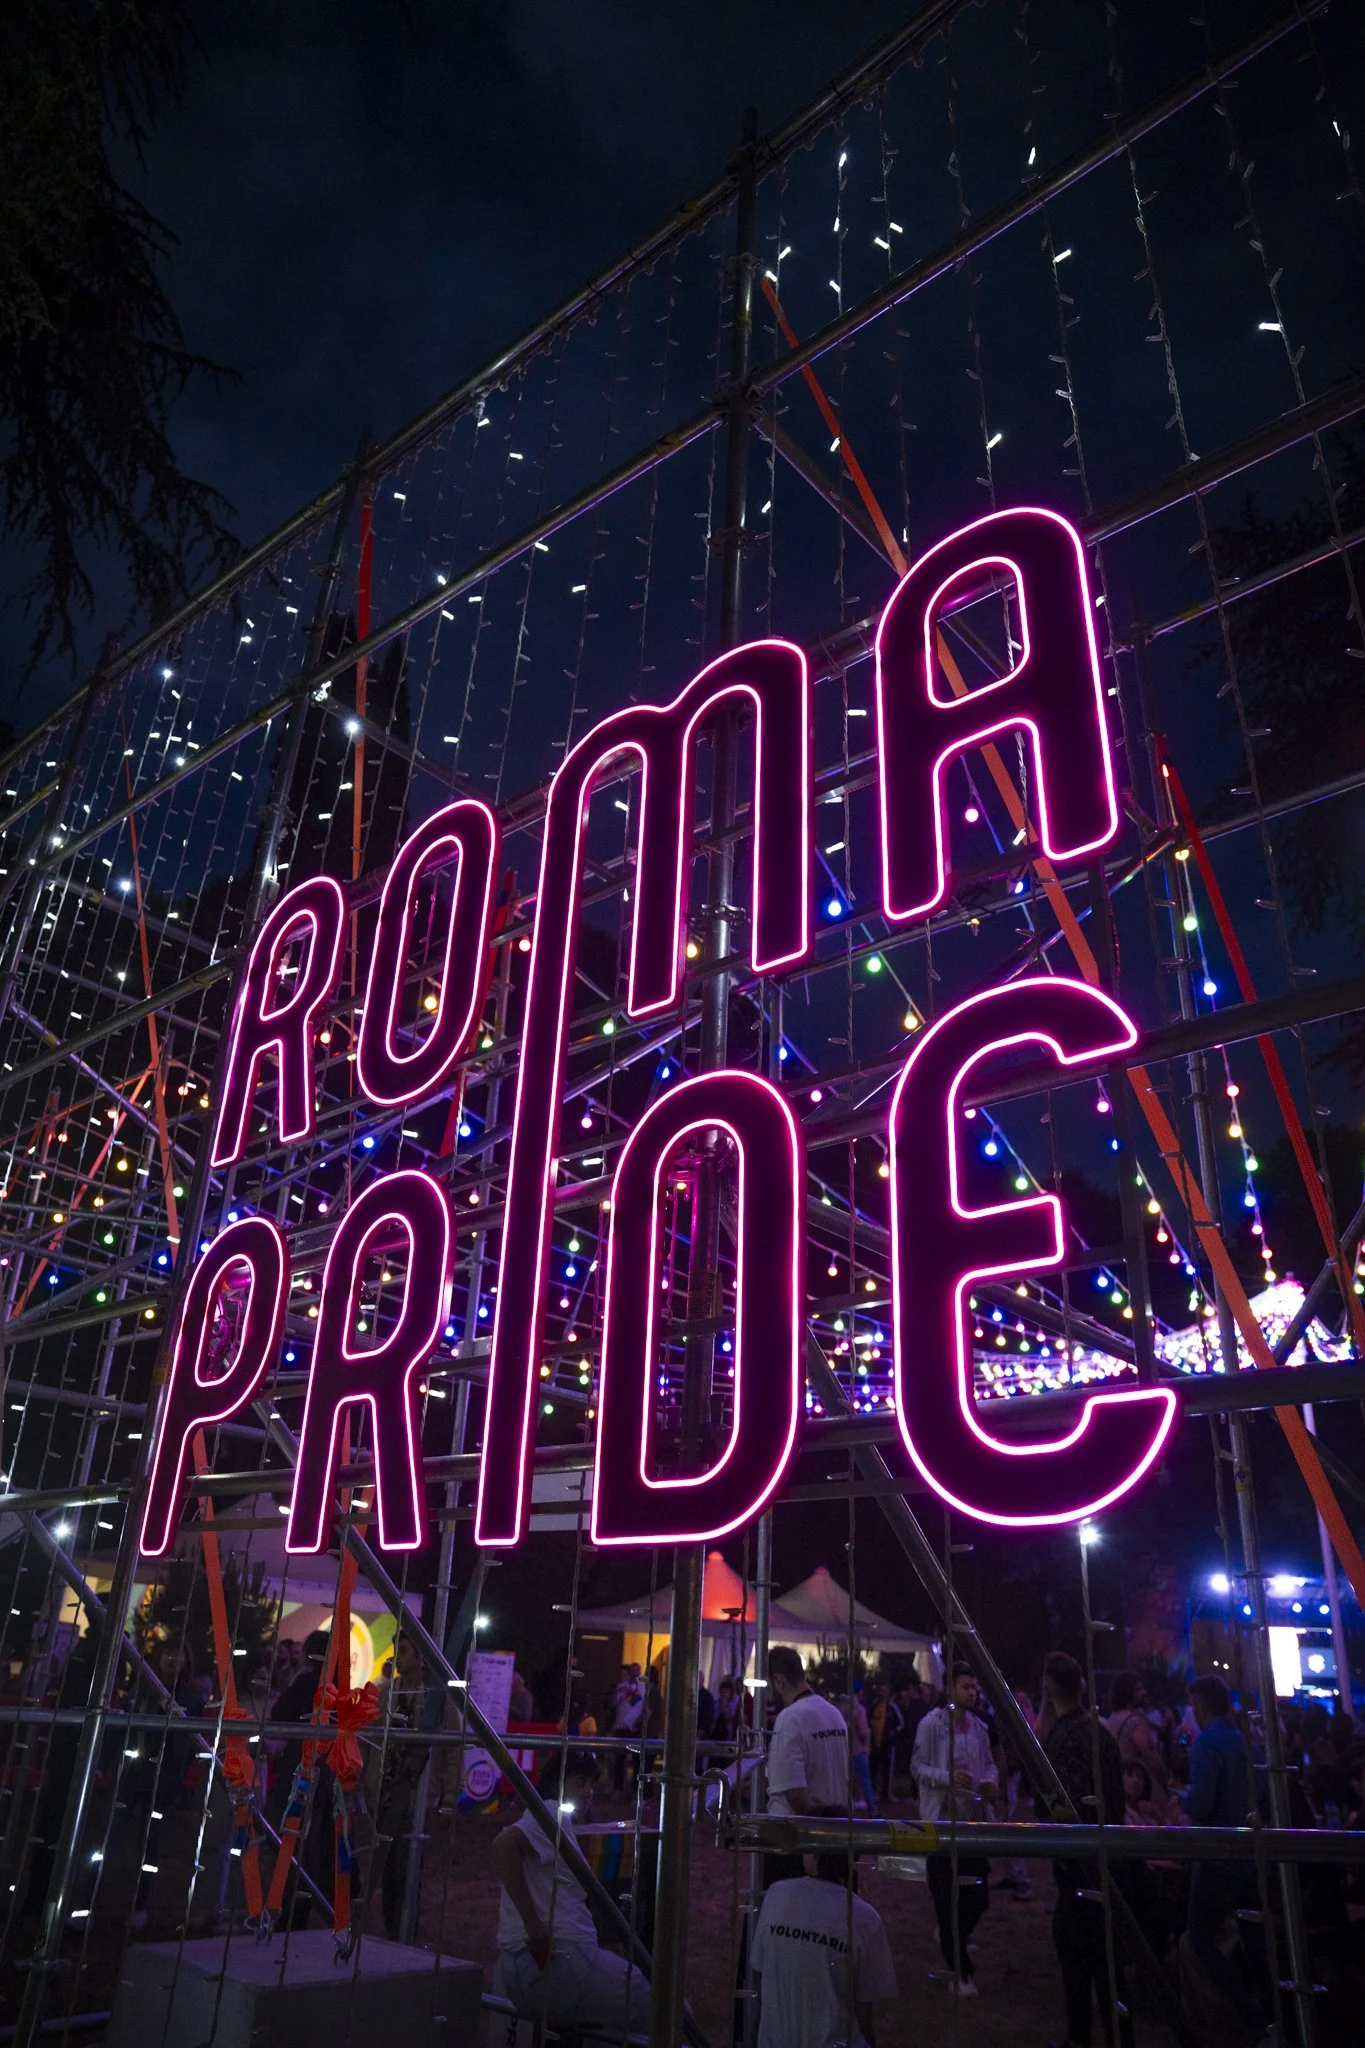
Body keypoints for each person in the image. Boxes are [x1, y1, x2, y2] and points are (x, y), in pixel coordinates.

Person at [492, 1750, 650, 2041]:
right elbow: (505, 1845)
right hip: (558, 1961)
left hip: (524, 1966)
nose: (588, 1792)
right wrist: (534, 1925)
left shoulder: (555, 1818)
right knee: (664, 2008)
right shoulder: (550, 1812)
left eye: (590, 1785)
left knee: (607, 2027)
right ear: (557, 1783)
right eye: (579, 1783)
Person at [1038, 1650, 1133, 2048]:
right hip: (1109, 1853)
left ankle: (1081, 2038)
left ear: (1048, 1689)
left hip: (1081, 1862)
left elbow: (1069, 1803)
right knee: (1105, 1958)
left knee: (1078, 1949)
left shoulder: (1064, 1738)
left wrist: (1055, 1831)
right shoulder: (1101, 1732)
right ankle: (1116, 2037)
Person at [1182, 1673, 1270, 2033]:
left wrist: (1182, 1799)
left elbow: (1201, 1805)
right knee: (1255, 1939)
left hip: (1217, 1857)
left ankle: (1250, 2015)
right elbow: (1262, 1797)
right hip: (1250, 1855)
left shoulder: (1207, 1744)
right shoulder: (1251, 1745)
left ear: (1201, 1705)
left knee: (1199, 1938)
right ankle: (1275, 2015)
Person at [911, 1660, 997, 1995]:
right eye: (965, 1686)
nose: (972, 1692)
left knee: (978, 1896)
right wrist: (947, 1778)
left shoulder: (979, 1727)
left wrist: (989, 1782)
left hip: (973, 1821)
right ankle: (960, 1972)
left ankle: (953, 1935)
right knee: (947, 1897)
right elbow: (917, 1767)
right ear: (949, 1689)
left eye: (974, 1687)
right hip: (941, 1821)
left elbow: (989, 1764)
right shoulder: (931, 1726)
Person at [751, 1853, 898, 2048]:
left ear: (813, 1853)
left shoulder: (776, 1894)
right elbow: (864, 2014)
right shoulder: (865, 1918)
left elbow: (759, 1971)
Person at [1105, 1673, 1172, 1806]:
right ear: (1127, 1693)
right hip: (1143, 1794)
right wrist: (1166, 1782)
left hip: (1121, 1790)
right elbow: (1150, 1756)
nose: (1144, 1692)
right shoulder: (1134, 1722)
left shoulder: (1112, 1719)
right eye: (1138, 1689)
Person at [842, 1680, 878, 1816]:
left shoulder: (843, 1708)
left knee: (848, 1781)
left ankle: (846, 1808)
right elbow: (863, 1731)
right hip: (860, 1750)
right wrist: (868, 1733)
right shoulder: (860, 1709)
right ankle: (872, 1810)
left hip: (847, 1749)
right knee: (866, 1781)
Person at [609, 1663, 644, 1794]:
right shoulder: (621, 1687)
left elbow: (643, 1707)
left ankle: (635, 1789)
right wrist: (619, 1692)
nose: (635, 1673)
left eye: (637, 1670)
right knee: (619, 1759)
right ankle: (618, 1788)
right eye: (632, 1670)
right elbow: (613, 1704)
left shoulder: (643, 1688)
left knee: (637, 1760)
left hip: (635, 1728)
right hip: (621, 1727)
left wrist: (638, 1722)